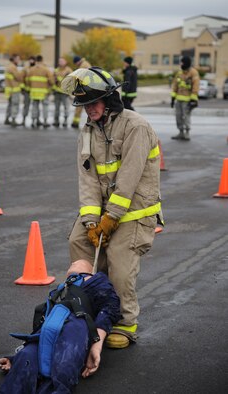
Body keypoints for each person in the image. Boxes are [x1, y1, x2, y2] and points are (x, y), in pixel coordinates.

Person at [61, 67, 162, 349]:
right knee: (78, 242)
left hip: (135, 211)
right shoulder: (88, 132)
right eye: (83, 105)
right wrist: (92, 220)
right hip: (105, 212)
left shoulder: (136, 126)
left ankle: (124, 323)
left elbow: (129, 177)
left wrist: (112, 217)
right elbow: (88, 178)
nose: (88, 110)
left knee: (118, 261)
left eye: (93, 103)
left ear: (109, 100)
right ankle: (90, 310)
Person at [0, 259, 121, 393]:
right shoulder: (60, 290)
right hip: (47, 331)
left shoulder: (97, 281)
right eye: (72, 264)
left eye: (76, 262)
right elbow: (44, 325)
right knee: (25, 358)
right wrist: (15, 359)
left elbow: (110, 309)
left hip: (76, 326)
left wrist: (96, 345)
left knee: (63, 366)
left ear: (90, 270)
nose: (73, 263)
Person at [170, 55, 200, 141]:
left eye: (182, 62)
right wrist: (172, 98)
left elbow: (196, 86)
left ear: (186, 63)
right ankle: (181, 132)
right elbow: (175, 85)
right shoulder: (179, 73)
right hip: (178, 100)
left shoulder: (193, 73)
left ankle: (187, 133)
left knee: (186, 117)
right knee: (178, 116)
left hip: (188, 100)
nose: (180, 64)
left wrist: (193, 99)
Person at [27, 55, 54, 129]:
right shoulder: (46, 70)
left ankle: (33, 121)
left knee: (35, 106)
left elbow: (27, 81)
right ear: (42, 60)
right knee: (45, 106)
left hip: (34, 92)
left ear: (36, 61)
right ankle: (45, 121)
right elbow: (51, 81)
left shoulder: (31, 70)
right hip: (44, 92)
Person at [71, 56, 91, 129]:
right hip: (86, 88)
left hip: (83, 88)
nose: (76, 65)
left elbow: (80, 77)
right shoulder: (85, 64)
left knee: (80, 105)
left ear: (78, 61)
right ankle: (76, 122)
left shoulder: (83, 65)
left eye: (76, 63)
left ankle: (75, 123)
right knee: (85, 106)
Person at [52, 58, 73, 128]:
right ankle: (56, 120)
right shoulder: (56, 70)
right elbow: (53, 81)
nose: (60, 62)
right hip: (57, 92)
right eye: (59, 61)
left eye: (62, 61)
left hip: (65, 93)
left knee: (66, 107)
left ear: (65, 62)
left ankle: (65, 120)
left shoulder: (69, 70)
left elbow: (72, 80)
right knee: (56, 107)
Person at [4, 54, 22, 127]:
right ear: (14, 59)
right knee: (15, 104)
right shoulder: (13, 67)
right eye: (18, 59)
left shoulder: (8, 66)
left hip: (9, 89)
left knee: (10, 104)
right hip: (14, 89)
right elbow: (18, 77)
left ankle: (7, 118)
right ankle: (13, 119)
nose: (19, 61)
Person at [20, 56, 36, 127]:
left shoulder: (37, 69)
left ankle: (35, 120)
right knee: (26, 105)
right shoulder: (25, 69)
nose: (31, 61)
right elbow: (21, 79)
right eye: (30, 60)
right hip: (27, 91)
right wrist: (22, 88)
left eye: (32, 60)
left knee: (35, 106)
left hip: (35, 91)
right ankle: (23, 119)